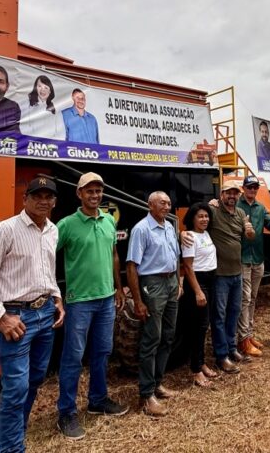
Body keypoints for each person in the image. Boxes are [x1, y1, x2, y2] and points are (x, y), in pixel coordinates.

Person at [0, 176, 65, 453]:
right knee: (16, 389)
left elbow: (47, 271)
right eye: (37, 196)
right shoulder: (5, 230)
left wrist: (57, 298)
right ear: (25, 200)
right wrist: (1, 318)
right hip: (15, 318)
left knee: (35, 379)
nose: (43, 201)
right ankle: (10, 448)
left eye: (48, 197)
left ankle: (16, 434)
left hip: (45, 313)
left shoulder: (52, 230)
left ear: (55, 202)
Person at [55, 172, 128, 441]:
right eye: (89, 191)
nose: (94, 195)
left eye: (98, 191)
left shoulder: (108, 220)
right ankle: (66, 412)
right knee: (73, 357)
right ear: (79, 194)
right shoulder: (66, 225)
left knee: (102, 351)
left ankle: (98, 400)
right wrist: (54, 294)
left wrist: (118, 287)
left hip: (106, 299)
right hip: (79, 302)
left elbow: (114, 255)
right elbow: (46, 257)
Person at [126, 191, 181, 417]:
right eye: (162, 203)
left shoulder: (169, 226)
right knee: (152, 338)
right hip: (153, 284)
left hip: (171, 282)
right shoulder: (141, 229)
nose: (166, 207)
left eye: (168, 203)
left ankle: (158, 384)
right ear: (150, 205)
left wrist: (178, 282)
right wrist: (138, 301)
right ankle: (146, 394)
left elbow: (176, 256)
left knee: (168, 335)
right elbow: (131, 266)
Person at [207, 183, 255, 373]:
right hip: (220, 274)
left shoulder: (241, 213)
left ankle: (231, 348)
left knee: (234, 312)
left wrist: (250, 232)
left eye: (235, 193)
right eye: (228, 193)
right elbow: (196, 218)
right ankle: (221, 356)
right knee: (219, 315)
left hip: (237, 272)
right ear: (222, 194)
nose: (232, 196)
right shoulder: (213, 210)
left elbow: (249, 236)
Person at [236, 175, 270, 357]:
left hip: (258, 258)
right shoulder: (236, 206)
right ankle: (242, 339)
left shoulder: (260, 207)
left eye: (255, 187)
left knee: (253, 298)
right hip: (242, 258)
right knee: (245, 298)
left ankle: (249, 334)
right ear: (243, 189)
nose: (253, 190)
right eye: (249, 187)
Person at [180, 202, 219, 388]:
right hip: (198, 282)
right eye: (200, 216)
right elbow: (188, 267)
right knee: (198, 327)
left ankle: (201, 362)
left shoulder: (206, 233)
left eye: (206, 216)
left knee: (204, 326)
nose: (204, 219)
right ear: (192, 218)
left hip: (210, 280)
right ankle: (196, 370)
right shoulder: (190, 237)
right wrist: (197, 291)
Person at [20, 75, 66, 140]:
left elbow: (61, 134)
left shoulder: (56, 110)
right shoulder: (27, 104)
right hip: (30, 143)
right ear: (35, 88)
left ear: (50, 91)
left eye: (46, 88)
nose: (42, 90)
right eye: (39, 86)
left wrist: (50, 143)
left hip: (50, 145)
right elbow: (23, 127)